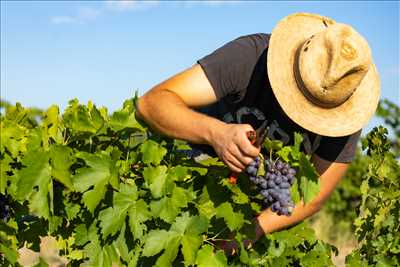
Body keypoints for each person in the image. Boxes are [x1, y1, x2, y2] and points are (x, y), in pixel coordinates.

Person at [136, 12, 380, 249]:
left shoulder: (345, 108)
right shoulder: (249, 57)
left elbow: (314, 194)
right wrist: (216, 133)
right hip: (190, 185)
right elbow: (152, 104)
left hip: (252, 211)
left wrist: (253, 230)